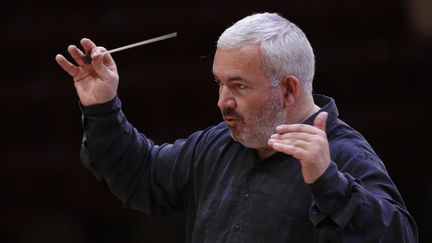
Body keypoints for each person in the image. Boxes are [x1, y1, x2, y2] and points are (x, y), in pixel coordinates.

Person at [55, 12, 418, 243]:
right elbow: (142, 176)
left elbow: (400, 236)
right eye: (219, 83)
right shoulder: (218, 144)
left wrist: (329, 183)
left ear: (289, 89)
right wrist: (101, 107)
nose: (222, 101)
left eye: (239, 86)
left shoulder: (342, 156)